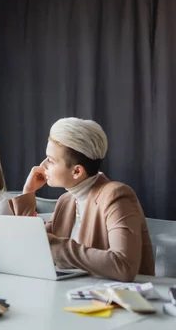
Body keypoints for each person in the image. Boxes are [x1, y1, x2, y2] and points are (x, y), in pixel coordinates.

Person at [10, 117, 155, 282]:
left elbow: (123, 265)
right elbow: (29, 245)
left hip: (118, 302)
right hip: (74, 295)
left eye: (50, 160)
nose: (43, 166)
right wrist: (28, 192)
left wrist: (56, 245)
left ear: (77, 171)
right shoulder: (66, 201)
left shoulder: (117, 196)